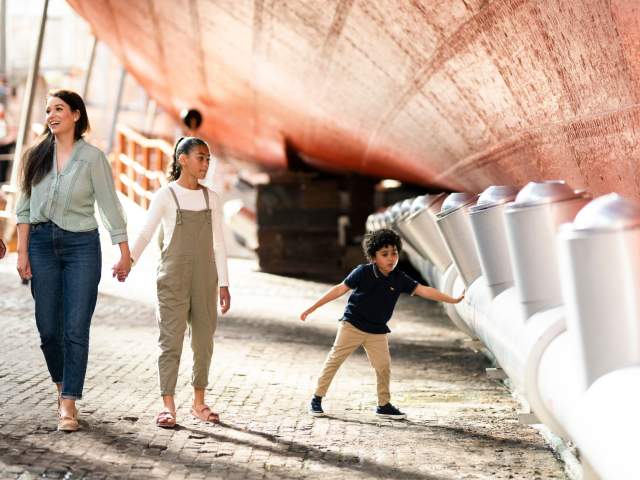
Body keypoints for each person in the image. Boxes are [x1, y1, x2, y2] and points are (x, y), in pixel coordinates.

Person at [15, 89, 131, 432]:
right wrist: (22, 251)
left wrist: (123, 250)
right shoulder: (33, 156)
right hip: (40, 244)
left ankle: (68, 403)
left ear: (76, 115)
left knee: (76, 329)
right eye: (48, 109)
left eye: (59, 109)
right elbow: (23, 207)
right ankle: (61, 383)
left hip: (82, 246)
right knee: (49, 330)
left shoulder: (93, 158)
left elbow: (110, 205)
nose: (51, 114)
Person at [300, 228, 464, 419]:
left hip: (377, 331)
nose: (391, 258)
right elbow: (338, 290)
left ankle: (383, 405)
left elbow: (424, 290)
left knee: (383, 366)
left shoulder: (399, 278)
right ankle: (316, 399)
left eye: (394, 253)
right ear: (373, 256)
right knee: (334, 361)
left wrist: (452, 300)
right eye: (384, 254)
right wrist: (312, 308)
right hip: (352, 325)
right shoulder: (362, 272)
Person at [129, 136, 230, 428]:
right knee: (170, 341)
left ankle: (199, 403)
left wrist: (224, 284)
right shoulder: (166, 195)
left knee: (203, 341)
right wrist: (129, 261)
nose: (206, 164)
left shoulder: (212, 198)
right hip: (172, 277)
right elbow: (146, 233)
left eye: (208, 159)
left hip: (205, 279)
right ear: (182, 159)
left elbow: (219, 244)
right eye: (201, 157)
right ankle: (168, 406)